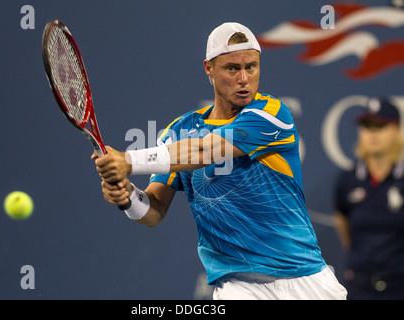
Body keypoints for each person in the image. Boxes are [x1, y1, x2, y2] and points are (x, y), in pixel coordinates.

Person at [93, 22, 347, 300]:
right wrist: (128, 197)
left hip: (306, 282)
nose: (244, 79)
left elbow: (206, 151)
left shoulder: (272, 113)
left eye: (251, 67)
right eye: (232, 69)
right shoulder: (178, 130)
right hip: (238, 288)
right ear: (209, 69)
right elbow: (153, 211)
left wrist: (128, 161)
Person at [334, 97, 404, 300]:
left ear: (396, 131)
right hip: (359, 289)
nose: (372, 133)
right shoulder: (347, 181)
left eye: (380, 126)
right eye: (367, 126)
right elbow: (343, 225)